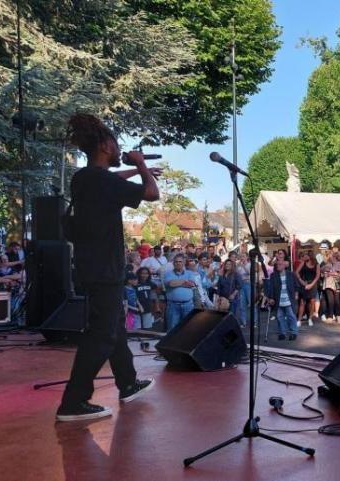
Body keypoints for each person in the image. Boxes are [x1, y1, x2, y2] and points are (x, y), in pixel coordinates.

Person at [55, 113, 159, 422]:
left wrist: (133, 171)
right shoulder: (103, 182)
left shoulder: (83, 178)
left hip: (90, 267)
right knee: (102, 334)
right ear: (104, 145)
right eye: (114, 143)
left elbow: (111, 182)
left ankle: (127, 383)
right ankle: (73, 401)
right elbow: (152, 194)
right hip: (106, 269)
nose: (118, 148)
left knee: (114, 328)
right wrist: (141, 165)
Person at [264, 260, 300, 341]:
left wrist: (296, 294)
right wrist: (271, 298)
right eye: (277, 265)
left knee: (291, 316)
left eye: (280, 264)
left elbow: (296, 285)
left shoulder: (290, 274)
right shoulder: (273, 275)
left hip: (288, 299)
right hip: (278, 299)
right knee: (280, 317)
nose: (278, 266)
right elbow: (271, 288)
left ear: (284, 266)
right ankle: (282, 333)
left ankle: (293, 332)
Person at [162, 254, 197, 332]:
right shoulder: (167, 273)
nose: (178, 263)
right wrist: (184, 281)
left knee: (188, 328)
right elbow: (170, 284)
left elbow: (192, 284)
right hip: (173, 306)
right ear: (173, 263)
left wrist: (176, 283)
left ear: (184, 263)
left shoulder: (189, 273)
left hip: (188, 305)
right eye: (176, 262)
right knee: (172, 329)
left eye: (180, 262)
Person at [296, 252, 320, 326]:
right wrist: (301, 281)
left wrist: (311, 284)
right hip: (304, 284)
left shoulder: (317, 264)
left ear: (310, 256)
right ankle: (299, 320)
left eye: (305, 255)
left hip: (313, 284)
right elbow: (296, 272)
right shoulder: (303, 263)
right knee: (302, 302)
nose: (304, 257)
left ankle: (310, 319)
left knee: (312, 302)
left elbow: (317, 276)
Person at [321, 252, 340, 323]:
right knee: (330, 301)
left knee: (337, 300)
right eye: (329, 257)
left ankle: (338, 316)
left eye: (331, 257)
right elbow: (321, 270)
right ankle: (330, 316)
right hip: (328, 283)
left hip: (336, 284)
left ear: (335, 257)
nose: (330, 258)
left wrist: (329, 273)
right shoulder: (328, 264)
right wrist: (325, 270)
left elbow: (339, 273)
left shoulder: (339, 263)